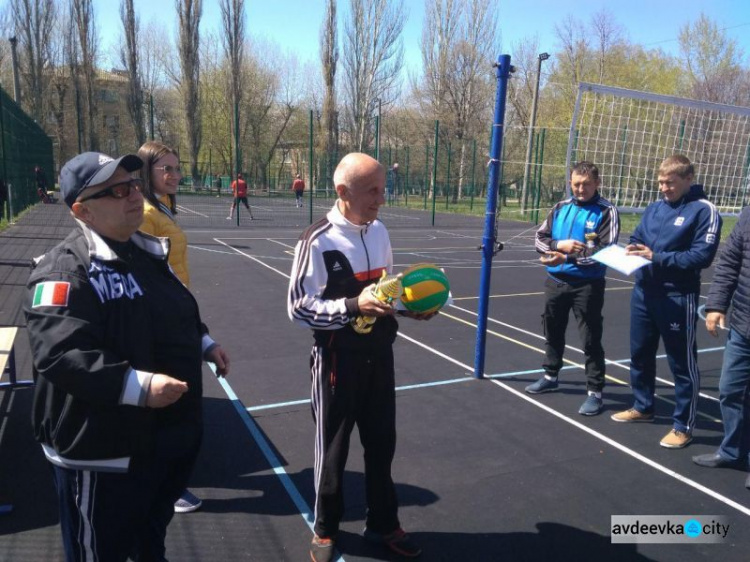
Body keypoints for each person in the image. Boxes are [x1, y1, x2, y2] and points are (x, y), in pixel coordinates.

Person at [25, 151, 230, 561]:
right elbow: (61, 352)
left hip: (157, 441)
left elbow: (170, 311)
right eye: (117, 190)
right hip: (102, 452)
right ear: (82, 210)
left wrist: (202, 342)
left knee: (148, 541)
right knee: (100, 550)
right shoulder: (63, 271)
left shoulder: (143, 253)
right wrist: (139, 385)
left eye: (134, 184)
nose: (134, 195)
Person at [288, 153, 430, 562]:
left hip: (379, 357)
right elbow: (298, 308)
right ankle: (326, 529)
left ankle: (383, 524)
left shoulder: (379, 231)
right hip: (336, 362)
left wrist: (409, 307)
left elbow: (385, 292)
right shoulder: (317, 240)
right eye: (372, 191)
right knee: (332, 449)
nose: (380, 199)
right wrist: (352, 306)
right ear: (342, 192)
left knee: (382, 444)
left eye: (382, 190)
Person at [612, 155, 722, 449]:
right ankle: (643, 406)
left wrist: (656, 257)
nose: (664, 188)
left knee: (681, 362)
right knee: (640, 353)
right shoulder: (654, 208)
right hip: (644, 291)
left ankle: (683, 425)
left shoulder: (704, 211)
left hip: (677, 296)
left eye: (670, 183)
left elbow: (701, 257)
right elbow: (638, 236)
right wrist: (633, 247)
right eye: (660, 182)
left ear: (688, 179)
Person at [526, 161, 620, 416]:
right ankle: (550, 374)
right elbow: (539, 239)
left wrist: (566, 257)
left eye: (586, 184)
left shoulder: (606, 211)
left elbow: (605, 252)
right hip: (555, 282)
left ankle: (595, 392)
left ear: (597, 184)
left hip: (587, 285)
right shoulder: (560, 208)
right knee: (552, 330)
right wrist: (560, 245)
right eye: (576, 184)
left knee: (590, 338)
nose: (581, 189)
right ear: (570, 183)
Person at [138, 140, 200, 512]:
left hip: (177, 312)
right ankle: (166, 488)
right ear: (148, 172)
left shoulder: (162, 207)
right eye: (167, 169)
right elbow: (146, 271)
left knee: (176, 406)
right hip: (162, 322)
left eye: (177, 168)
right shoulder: (146, 213)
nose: (174, 175)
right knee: (169, 406)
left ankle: (166, 483)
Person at [692, 208, 750, 489]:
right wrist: (716, 304)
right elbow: (729, 262)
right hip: (743, 324)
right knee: (730, 391)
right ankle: (732, 452)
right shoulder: (749, 215)